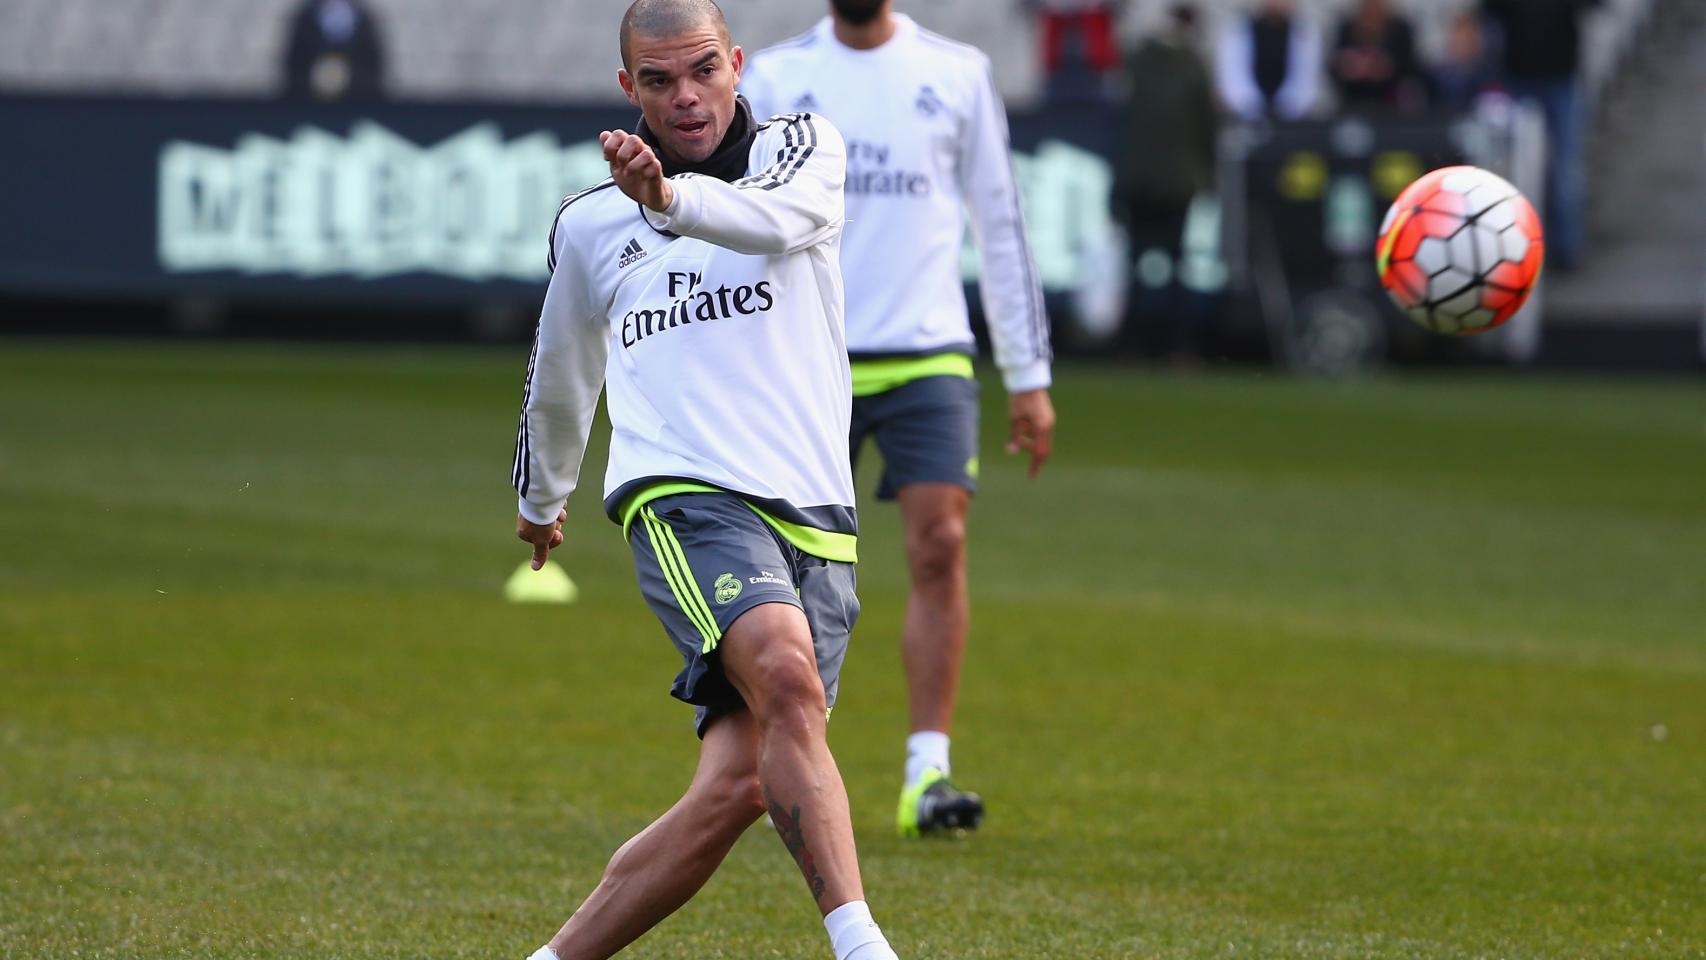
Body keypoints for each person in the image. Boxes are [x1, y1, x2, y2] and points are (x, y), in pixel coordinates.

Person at [511, 2, 899, 959]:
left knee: (733, 790)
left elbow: (776, 225)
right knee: (783, 675)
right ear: (626, 88)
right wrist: (542, 496)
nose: (684, 98)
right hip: (684, 496)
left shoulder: (804, 150)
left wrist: (671, 201)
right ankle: (862, 946)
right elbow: (563, 368)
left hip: (815, 512)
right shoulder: (592, 223)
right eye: (657, 81)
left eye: (701, 73)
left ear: (735, 64)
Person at [742, 0, 1056, 839]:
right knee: (790, 570)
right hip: (810, 353)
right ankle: (781, 763)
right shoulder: (775, 77)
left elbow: (1001, 222)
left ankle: (928, 773)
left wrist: (1029, 373)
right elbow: (740, 223)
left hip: (928, 351)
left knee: (940, 544)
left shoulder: (957, 75)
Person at [1111, 3, 1219, 361]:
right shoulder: (1193, 66)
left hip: (1139, 180)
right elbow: (1208, 129)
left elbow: (1120, 126)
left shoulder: (1138, 61)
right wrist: (1206, 176)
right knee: (1176, 265)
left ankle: (1133, 344)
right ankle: (1178, 346)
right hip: (1177, 183)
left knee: (1137, 265)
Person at [1481, 0, 1602, 269]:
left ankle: (1566, 249)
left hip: (1561, 79)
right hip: (1518, 79)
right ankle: (1517, 245)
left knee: (1565, 170)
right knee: (1512, 170)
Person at [1215, 0, 1323, 121]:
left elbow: (1306, 78)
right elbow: (1232, 77)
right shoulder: (1239, 30)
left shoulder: (1303, 32)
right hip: (1246, 116)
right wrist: (1249, 107)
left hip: (1293, 117)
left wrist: (1289, 107)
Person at [1329, 0, 1425, 113]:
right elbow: (1335, 65)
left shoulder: (1400, 29)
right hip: (1353, 103)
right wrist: (1349, 66)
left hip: (1392, 106)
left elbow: (1413, 67)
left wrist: (1386, 67)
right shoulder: (1347, 28)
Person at [282, 0, 386, 101]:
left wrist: (349, 78)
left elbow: (374, 63)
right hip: (312, 103)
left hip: (355, 102)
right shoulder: (305, 15)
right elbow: (293, 63)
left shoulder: (362, 15)